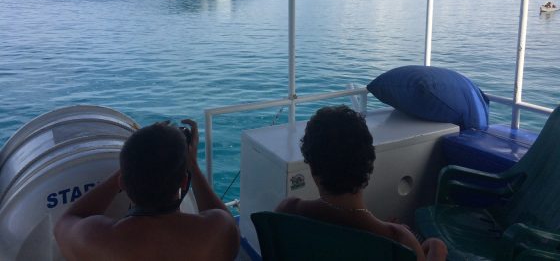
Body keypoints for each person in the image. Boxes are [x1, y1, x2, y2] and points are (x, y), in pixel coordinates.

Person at [276, 105, 447, 261]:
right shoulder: (399, 239)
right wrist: (436, 250)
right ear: (369, 164)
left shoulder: (288, 211)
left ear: (312, 167)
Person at [54, 119, 239, 261]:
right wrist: (192, 165)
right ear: (184, 182)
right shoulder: (218, 232)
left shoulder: (97, 240)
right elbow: (225, 220)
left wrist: (127, 171)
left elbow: (66, 221)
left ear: (123, 183)